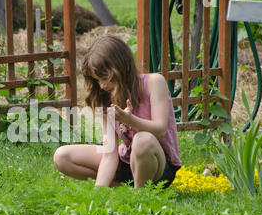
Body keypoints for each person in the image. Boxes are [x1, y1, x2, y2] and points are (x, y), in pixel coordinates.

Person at [53, 34, 181, 188]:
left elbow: (160, 131)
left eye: (104, 78)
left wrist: (130, 120)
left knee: (142, 140)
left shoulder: (154, 82)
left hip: (159, 166)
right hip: (126, 161)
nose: (101, 86)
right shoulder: (104, 97)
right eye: (97, 80)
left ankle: (140, 196)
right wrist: (98, 193)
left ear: (122, 67)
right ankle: (121, 188)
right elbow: (109, 154)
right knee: (62, 156)